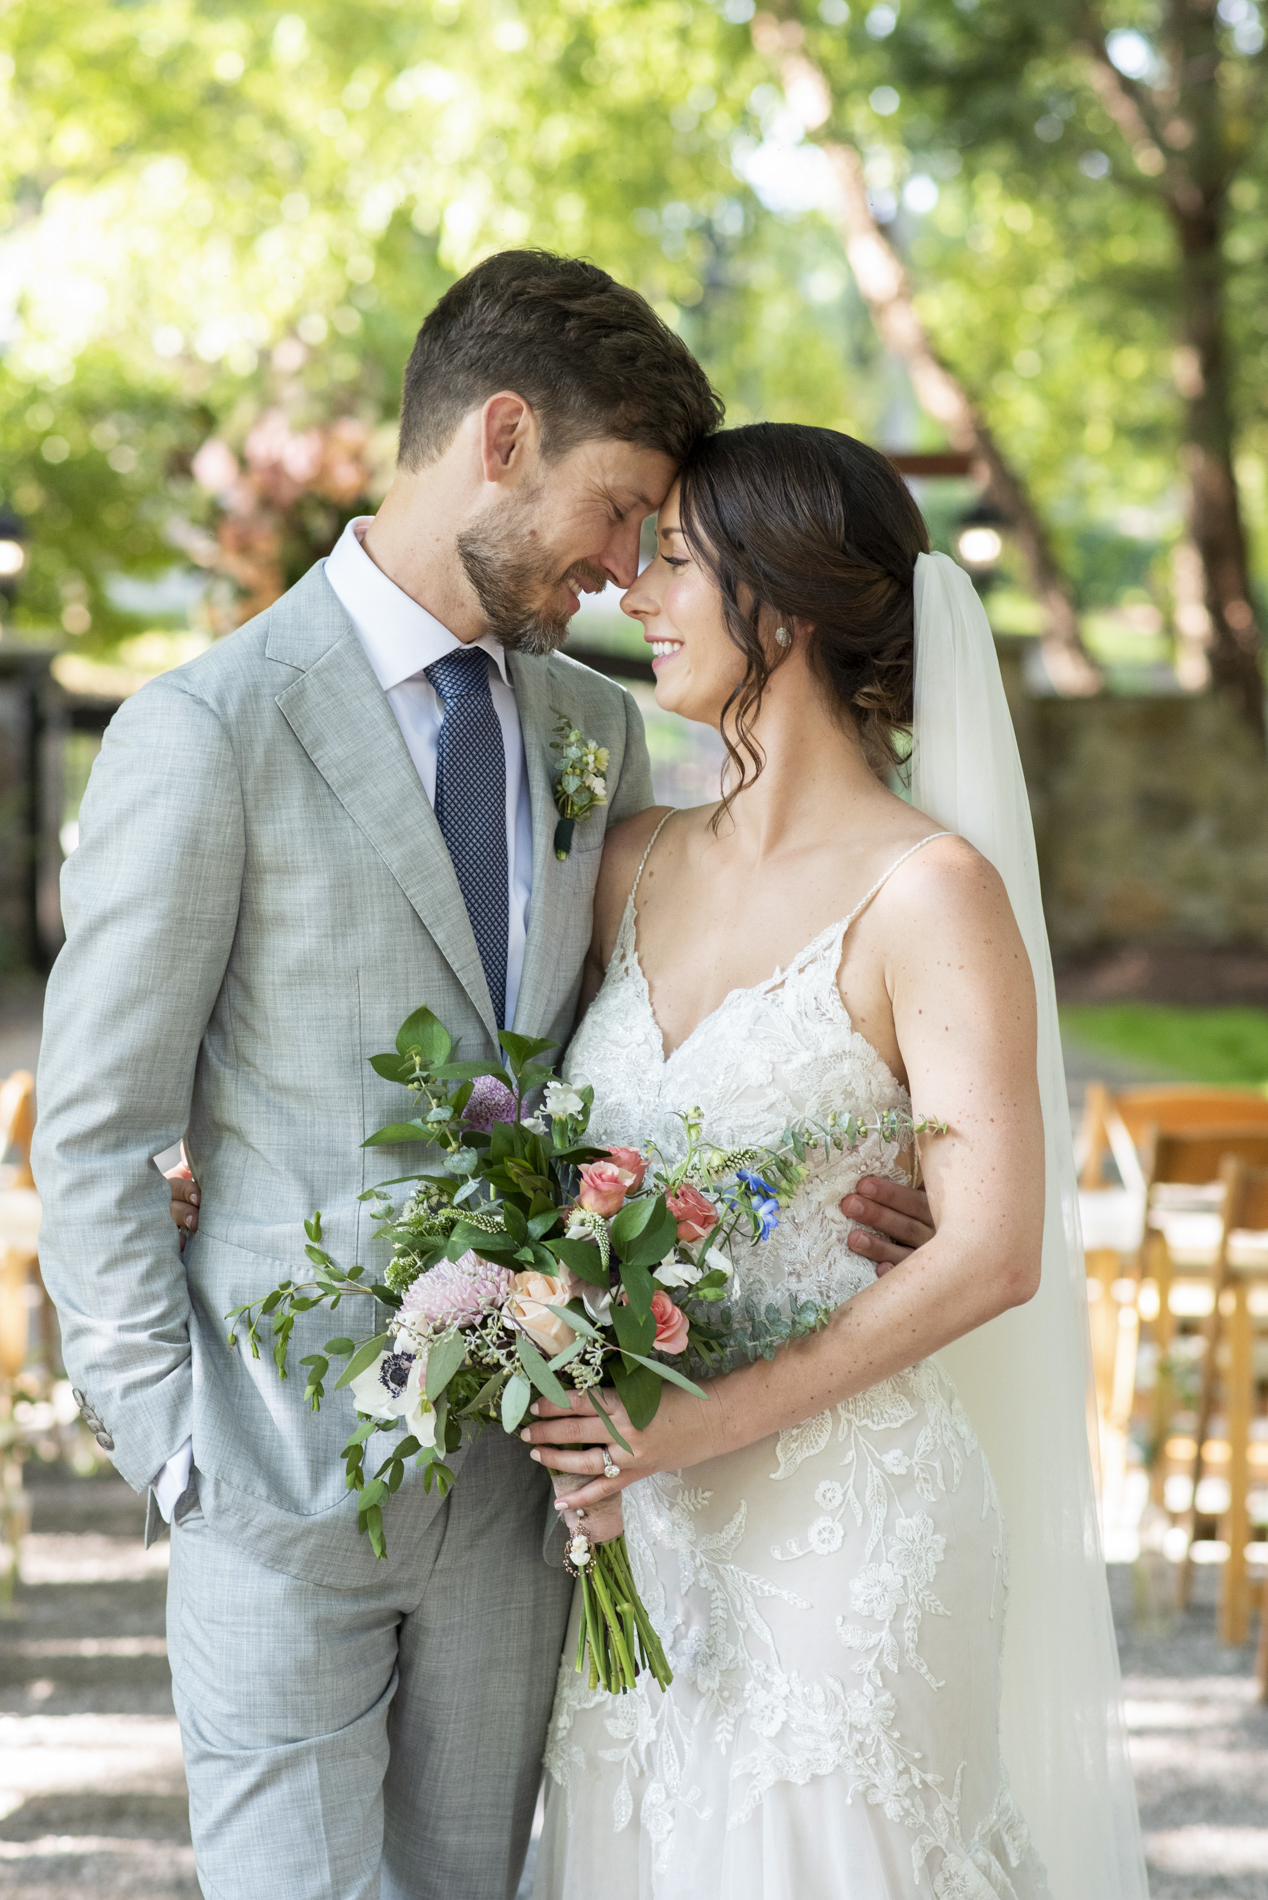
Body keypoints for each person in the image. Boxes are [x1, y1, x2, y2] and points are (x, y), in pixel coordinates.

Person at [35, 251, 931, 1900]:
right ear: (502, 437)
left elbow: (659, 1065)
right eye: (620, 512)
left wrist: (854, 1184)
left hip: (531, 1506)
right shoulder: (206, 732)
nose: (626, 566)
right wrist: (177, 1451)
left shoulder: (598, 733)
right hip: (272, 1479)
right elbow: (94, 1131)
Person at [516, 427, 1148, 1898]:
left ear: (782, 608)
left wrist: (702, 1420)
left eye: (673, 563)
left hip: (846, 1543)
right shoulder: (634, 862)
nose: (635, 596)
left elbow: (993, 1250)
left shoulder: (929, 893)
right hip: (642, 1534)